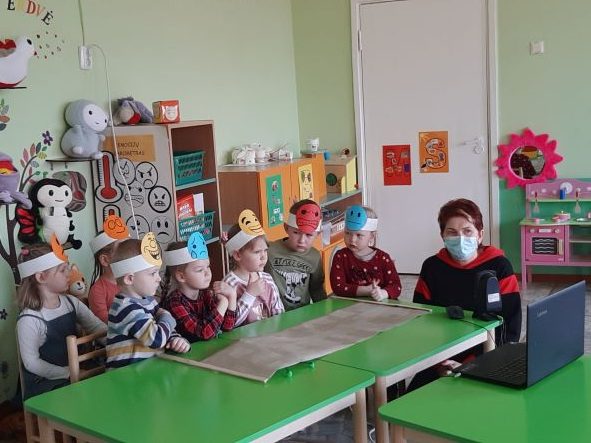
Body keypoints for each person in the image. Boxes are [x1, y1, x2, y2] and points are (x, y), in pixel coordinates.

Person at [410, 198, 522, 386]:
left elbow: (510, 325)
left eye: (467, 231)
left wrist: (472, 364)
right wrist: (440, 363)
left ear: (480, 235)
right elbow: (422, 319)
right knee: (411, 398)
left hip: (488, 357)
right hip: (441, 357)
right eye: (452, 232)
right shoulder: (432, 267)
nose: (460, 238)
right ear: (442, 235)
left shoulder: (499, 267)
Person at [16, 241, 106, 400]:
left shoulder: (71, 302)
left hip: (77, 372)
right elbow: (32, 363)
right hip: (48, 383)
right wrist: (69, 373)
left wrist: (118, 344)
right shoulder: (29, 320)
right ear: (41, 277)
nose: (69, 273)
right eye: (62, 270)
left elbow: (97, 327)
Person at [106, 233, 190, 369]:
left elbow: (163, 329)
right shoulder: (126, 308)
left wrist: (176, 339)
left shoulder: (149, 301)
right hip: (126, 376)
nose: (158, 278)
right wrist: (167, 316)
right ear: (129, 279)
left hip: (149, 370)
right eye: (153, 273)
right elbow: (157, 339)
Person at [161, 233, 237, 341]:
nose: (207, 273)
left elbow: (227, 327)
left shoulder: (206, 294)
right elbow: (204, 333)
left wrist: (232, 296)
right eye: (200, 270)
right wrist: (224, 303)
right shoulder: (174, 302)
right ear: (181, 276)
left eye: (208, 266)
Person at [223, 209, 284, 326]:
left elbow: (279, 313)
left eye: (265, 250)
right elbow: (229, 324)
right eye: (257, 252)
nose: (263, 256)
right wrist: (249, 294)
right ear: (238, 255)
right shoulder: (229, 284)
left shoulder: (267, 279)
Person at [265, 199, 327, 310]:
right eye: (296, 233)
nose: (301, 240)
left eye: (309, 235)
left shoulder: (314, 257)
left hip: (302, 312)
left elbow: (317, 290)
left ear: (318, 234)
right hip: (273, 313)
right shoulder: (269, 250)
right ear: (286, 228)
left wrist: (324, 312)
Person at [330, 205, 401, 300]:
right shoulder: (341, 256)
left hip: (379, 306)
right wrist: (366, 290)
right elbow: (338, 287)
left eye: (359, 235)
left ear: (372, 236)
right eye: (347, 233)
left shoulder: (383, 259)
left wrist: (384, 293)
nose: (352, 239)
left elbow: (396, 286)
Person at [88, 215, 130, 323]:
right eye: (123, 250)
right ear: (105, 260)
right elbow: (104, 322)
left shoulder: (132, 280)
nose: (129, 255)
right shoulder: (98, 291)